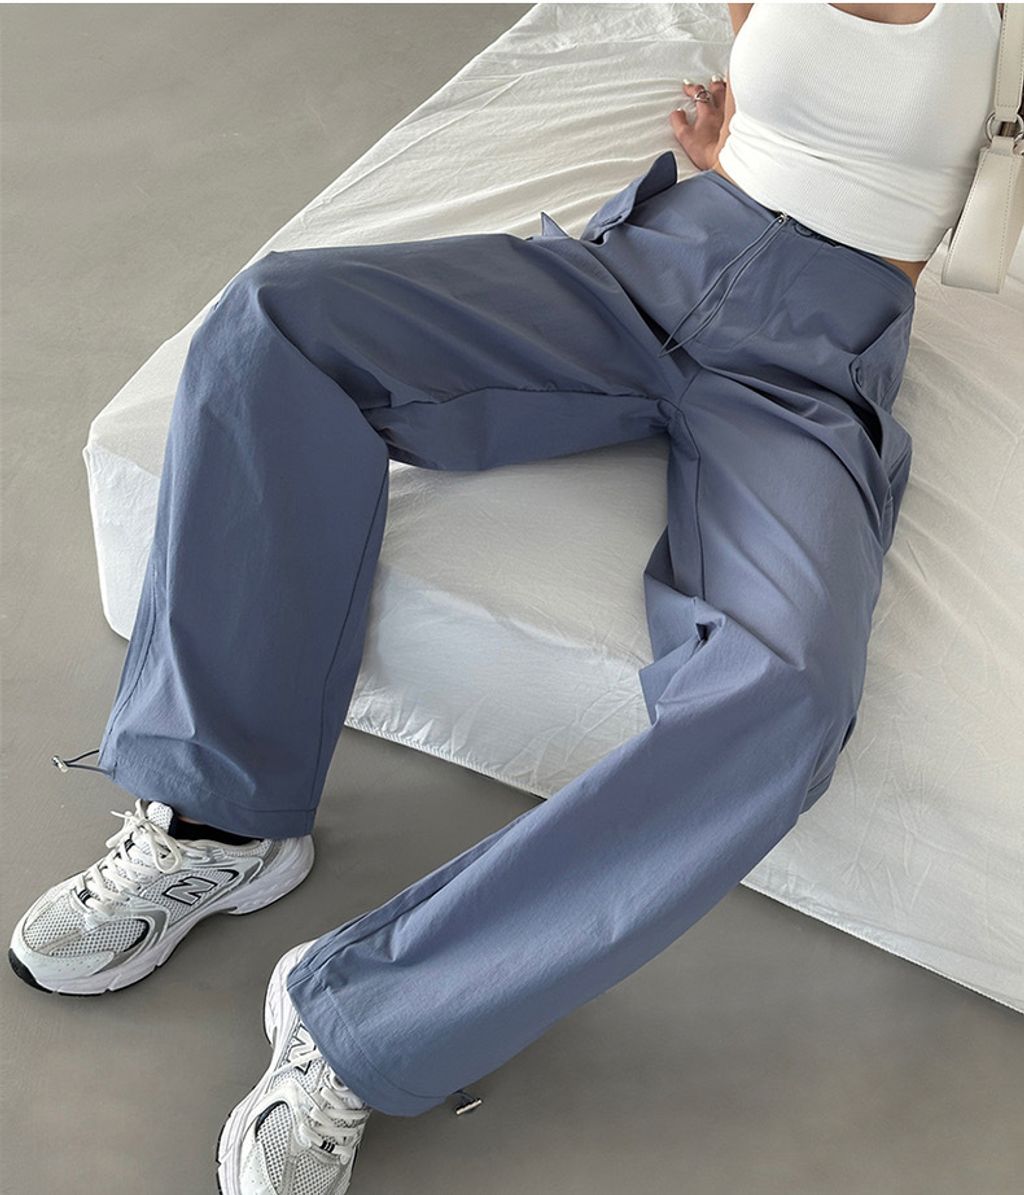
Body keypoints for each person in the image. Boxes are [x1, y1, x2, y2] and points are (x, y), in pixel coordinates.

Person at [9, 4, 1012, 1193]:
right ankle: (218, 821)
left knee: (787, 692)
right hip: (649, 264)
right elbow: (765, 72)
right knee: (279, 318)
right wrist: (733, 146)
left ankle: (368, 1020)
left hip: (811, 365)